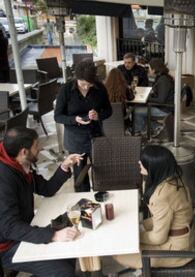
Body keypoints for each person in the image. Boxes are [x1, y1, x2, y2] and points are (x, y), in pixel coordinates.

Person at [0, 127, 83, 276]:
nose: (40, 148)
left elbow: (46, 189)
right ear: (24, 152)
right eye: (36, 146)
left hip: (26, 228)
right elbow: (9, 228)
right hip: (7, 245)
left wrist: (64, 166)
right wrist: (53, 235)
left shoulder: (19, 162)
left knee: (70, 245)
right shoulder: (4, 179)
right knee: (63, 271)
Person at [114, 145, 194, 269]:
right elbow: (162, 218)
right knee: (123, 243)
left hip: (176, 250)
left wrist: (134, 235)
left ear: (154, 168)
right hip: (184, 239)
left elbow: (158, 238)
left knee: (120, 252)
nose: (139, 163)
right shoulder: (173, 179)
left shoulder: (162, 196)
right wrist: (140, 226)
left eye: (143, 162)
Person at [54, 60, 112, 192]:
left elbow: (108, 110)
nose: (86, 87)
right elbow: (57, 116)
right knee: (80, 175)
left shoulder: (100, 88)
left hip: (96, 135)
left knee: (102, 171)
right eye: (83, 84)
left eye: (89, 84)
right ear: (76, 78)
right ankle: (83, 202)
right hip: (75, 139)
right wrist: (74, 119)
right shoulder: (66, 90)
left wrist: (98, 115)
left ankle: (102, 197)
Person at [133, 58, 174, 136]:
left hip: (165, 109)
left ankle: (138, 132)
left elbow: (161, 100)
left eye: (149, 68)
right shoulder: (162, 77)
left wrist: (146, 99)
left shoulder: (163, 80)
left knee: (136, 111)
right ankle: (155, 126)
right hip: (164, 107)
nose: (148, 70)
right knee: (138, 107)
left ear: (154, 69)